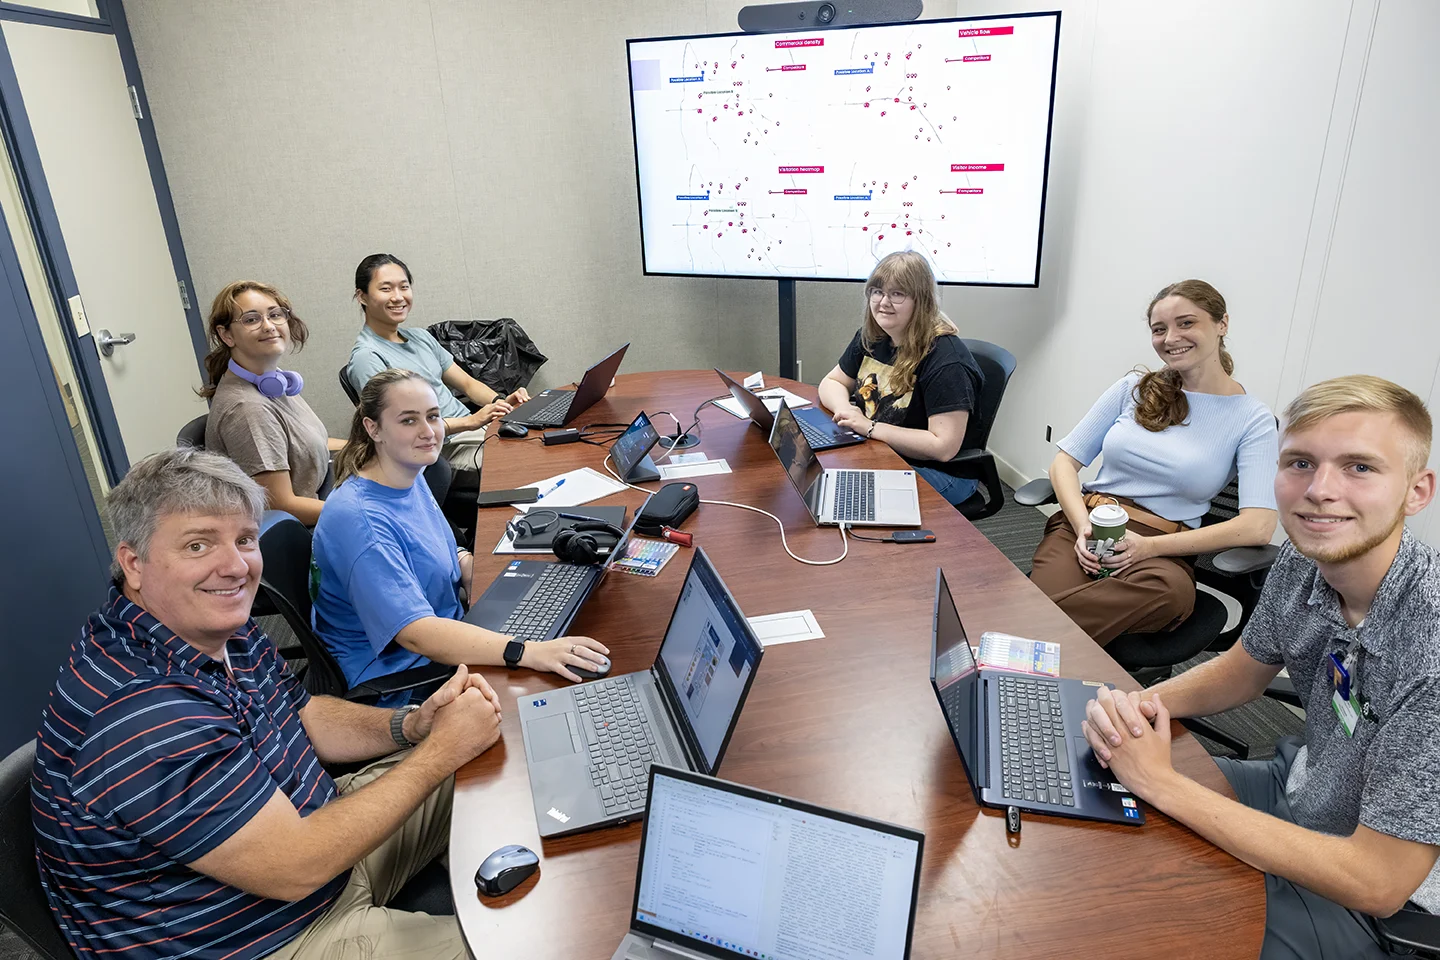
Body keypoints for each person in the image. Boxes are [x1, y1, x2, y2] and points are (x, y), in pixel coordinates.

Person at [32, 447, 500, 959]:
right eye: (197, 545)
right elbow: (294, 867)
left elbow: (303, 715)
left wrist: (411, 726)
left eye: (244, 539)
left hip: (317, 843)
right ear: (133, 563)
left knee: (495, 750)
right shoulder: (144, 712)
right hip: (261, 936)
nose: (235, 567)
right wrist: (440, 752)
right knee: (534, 946)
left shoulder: (214, 628)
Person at [1082, 375, 1440, 959]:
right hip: (1301, 786)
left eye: (1359, 467)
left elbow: (1378, 881)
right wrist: (1139, 707)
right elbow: (1242, 671)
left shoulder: (1431, 651)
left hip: (1381, 899)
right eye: (1300, 463)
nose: (1320, 491)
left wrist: (1160, 781)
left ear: (1416, 491)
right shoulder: (1304, 561)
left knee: (1149, 924)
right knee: (1097, 798)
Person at [313, 368, 609, 706]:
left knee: (581, 617)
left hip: (448, 632)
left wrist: (478, 572)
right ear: (373, 428)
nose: (428, 432)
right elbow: (416, 634)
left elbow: (443, 548)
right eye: (408, 421)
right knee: (566, 696)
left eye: (433, 416)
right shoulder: (360, 520)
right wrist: (525, 651)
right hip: (407, 676)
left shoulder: (406, 472)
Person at [1028, 279, 1278, 645]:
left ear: (1222, 324)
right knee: (1064, 609)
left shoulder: (1252, 418)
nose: (1171, 338)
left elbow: (1258, 527)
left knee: (1169, 597)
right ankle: (1037, 635)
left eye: (1186, 323)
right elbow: (1063, 464)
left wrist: (1148, 548)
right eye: (1159, 329)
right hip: (1089, 525)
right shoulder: (1132, 388)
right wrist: (1083, 527)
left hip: (1163, 548)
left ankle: (1023, 631)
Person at [817, 251, 985, 507]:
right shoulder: (872, 337)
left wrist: (869, 427)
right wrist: (846, 411)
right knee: (822, 473)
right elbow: (833, 382)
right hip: (882, 449)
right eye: (877, 292)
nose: (884, 302)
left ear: (921, 301)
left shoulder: (947, 360)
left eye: (897, 294)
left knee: (846, 495)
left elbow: (943, 447)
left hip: (942, 472)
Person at [344, 253, 528, 474]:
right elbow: (400, 429)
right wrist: (471, 421)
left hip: (475, 431)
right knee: (522, 462)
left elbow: (468, 384)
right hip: (441, 448)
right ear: (362, 296)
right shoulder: (367, 357)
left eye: (404, 287)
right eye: (386, 289)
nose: (398, 297)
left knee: (542, 440)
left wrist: (501, 403)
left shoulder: (421, 337)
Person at [201, 280, 343, 525]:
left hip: (323, 497)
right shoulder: (247, 409)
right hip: (303, 531)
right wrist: (364, 513)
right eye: (251, 319)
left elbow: (304, 444)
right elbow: (280, 505)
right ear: (226, 335)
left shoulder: (273, 382)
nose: (268, 326)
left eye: (275, 315)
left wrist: (369, 446)